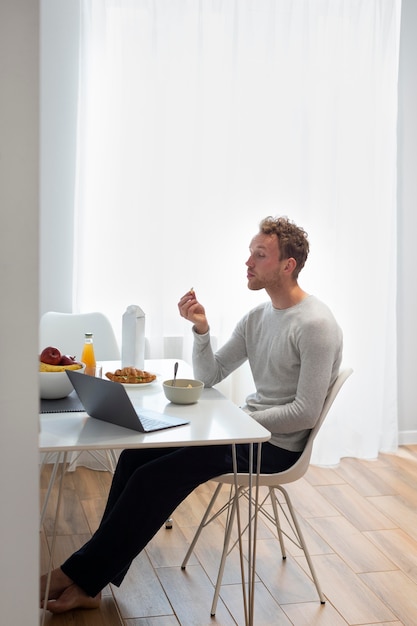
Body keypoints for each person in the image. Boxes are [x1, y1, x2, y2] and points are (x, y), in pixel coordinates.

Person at [40, 216, 343, 614]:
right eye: (250, 253)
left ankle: (76, 574)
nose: (247, 262)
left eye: (259, 254)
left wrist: (239, 424)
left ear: (288, 265)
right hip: (243, 431)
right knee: (135, 457)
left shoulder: (316, 325)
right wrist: (201, 330)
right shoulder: (258, 317)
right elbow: (210, 375)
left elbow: (304, 413)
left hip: (274, 447)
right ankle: (92, 583)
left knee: (155, 477)